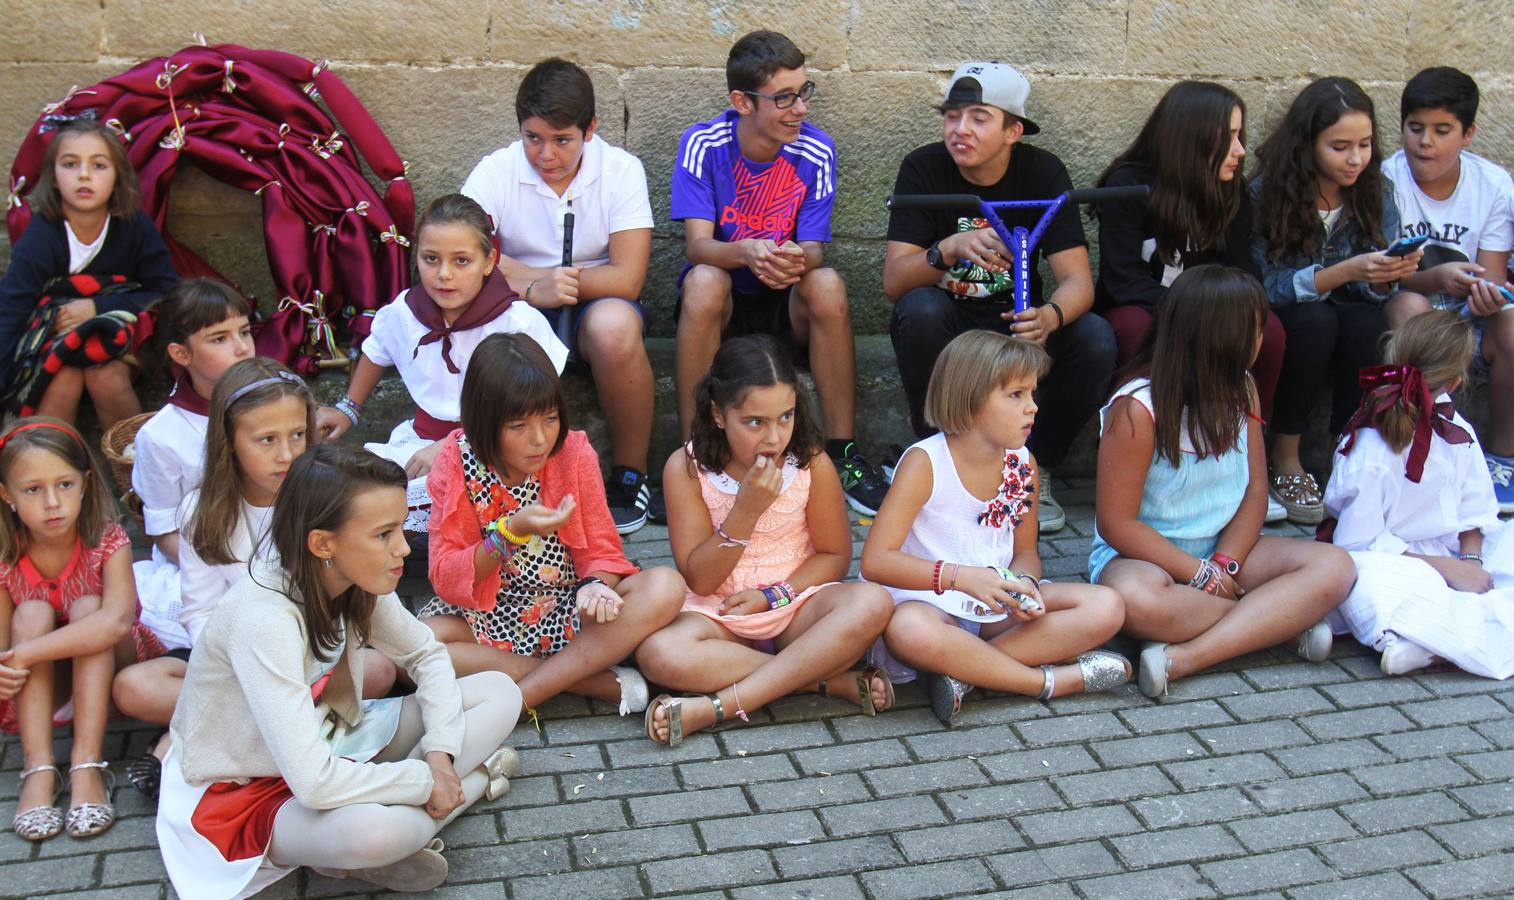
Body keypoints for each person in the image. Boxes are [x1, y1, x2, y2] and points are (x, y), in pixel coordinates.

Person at [155, 444, 523, 897]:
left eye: (400, 527)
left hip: (328, 738)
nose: (403, 547)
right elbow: (313, 784)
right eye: (384, 534)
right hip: (243, 788)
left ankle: (404, 822)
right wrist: (425, 780)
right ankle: (472, 782)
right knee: (375, 836)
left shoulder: (352, 577)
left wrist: (440, 756)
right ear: (323, 543)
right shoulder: (264, 619)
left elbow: (425, 655)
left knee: (500, 692)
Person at [114, 359, 399, 798]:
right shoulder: (201, 510)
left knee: (377, 670)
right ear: (229, 442)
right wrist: (246, 669)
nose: (286, 454)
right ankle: (285, 735)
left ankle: (191, 741)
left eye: (298, 435)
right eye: (266, 440)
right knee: (133, 687)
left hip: (315, 651)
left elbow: (350, 596)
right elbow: (201, 609)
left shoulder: (328, 498)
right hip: (233, 657)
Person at [1089, 265, 1356, 698]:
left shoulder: (1243, 388)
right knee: (1137, 603)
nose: (1261, 340)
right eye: (1254, 329)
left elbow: (1255, 488)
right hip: (1145, 557)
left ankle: (1185, 657)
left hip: (1224, 550)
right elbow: (1116, 525)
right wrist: (1198, 573)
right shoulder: (1137, 408)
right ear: (1220, 337)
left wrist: (1226, 564)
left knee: (1335, 567)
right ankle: (1277, 626)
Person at [882, 61, 1115, 533]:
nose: (959, 130)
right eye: (951, 116)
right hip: (953, 326)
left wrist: (1050, 316)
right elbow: (894, 283)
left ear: (1014, 131)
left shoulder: (1044, 173)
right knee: (918, 310)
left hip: (1018, 326)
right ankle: (940, 463)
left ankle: (1033, 465)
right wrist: (946, 250)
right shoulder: (924, 168)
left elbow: (1079, 284)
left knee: (1095, 337)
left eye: (978, 118)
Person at [670, 30, 889, 517]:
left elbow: (814, 250)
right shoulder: (704, 144)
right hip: (725, 298)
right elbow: (697, 246)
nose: (800, 109)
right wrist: (748, 251)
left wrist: (791, 258)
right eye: (784, 98)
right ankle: (693, 455)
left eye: (803, 92)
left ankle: (843, 452)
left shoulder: (816, 151)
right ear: (742, 101)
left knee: (827, 283)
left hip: (783, 299)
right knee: (704, 281)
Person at [861, 330, 1130, 725]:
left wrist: (1024, 588)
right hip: (931, 606)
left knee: (1106, 606)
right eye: (1016, 395)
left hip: (993, 609)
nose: (1033, 408)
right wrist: (960, 578)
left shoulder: (1024, 463)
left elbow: (1025, 553)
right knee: (910, 631)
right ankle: (1045, 682)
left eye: (1033, 394)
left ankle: (965, 671)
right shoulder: (925, 463)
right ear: (970, 399)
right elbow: (875, 562)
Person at [636, 335, 895, 746]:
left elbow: (834, 557)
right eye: (755, 422)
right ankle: (819, 681)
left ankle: (713, 707)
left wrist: (774, 595)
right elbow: (700, 580)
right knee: (658, 654)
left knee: (873, 602)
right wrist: (746, 510)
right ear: (718, 414)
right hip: (720, 614)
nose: (774, 438)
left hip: (796, 605)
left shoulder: (811, 462)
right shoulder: (685, 468)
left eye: (786, 417)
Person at [421, 333, 684, 718]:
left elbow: (603, 551)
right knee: (420, 644)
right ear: (484, 421)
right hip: (489, 612)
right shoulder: (455, 460)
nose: (540, 439)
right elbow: (445, 576)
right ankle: (598, 684)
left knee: (666, 585)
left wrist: (595, 587)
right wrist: (510, 534)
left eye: (549, 418)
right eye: (518, 426)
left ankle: (513, 702)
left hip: (565, 609)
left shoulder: (573, 451)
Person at [462, 59, 661, 533]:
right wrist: (532, 283)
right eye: (533, 138)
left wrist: (556, 281)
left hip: (595, 300)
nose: (546, 154)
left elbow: (628, 277)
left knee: (614, 328)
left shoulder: (621, 170)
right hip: (516, 299)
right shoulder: (497, 170)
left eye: (562, 139)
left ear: (590, 129)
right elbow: (464, 250)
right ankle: (489, 476)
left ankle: (631, 473)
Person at [1092, 81, 1288, 526]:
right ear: (1193, 138)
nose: (1240, 150)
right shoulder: (1129, 185)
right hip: (1148, 310)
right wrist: (1190, 315)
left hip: (1208, 311)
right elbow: (1121, 281)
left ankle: (1246, 461)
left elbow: (1244, 273)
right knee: (1129, 326)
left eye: (1242, 135)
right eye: (1229, 137)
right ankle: (1142, 462)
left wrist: (1220, 316)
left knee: (1269, 331)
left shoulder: (1230, 191)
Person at [323, 194, 566, 535]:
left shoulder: (517, 323)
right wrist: (348, 409)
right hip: (422, 443)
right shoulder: (405, 313)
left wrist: (455, 445)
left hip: (499, 449)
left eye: (462, 261)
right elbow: (376, 351)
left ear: (488, 262)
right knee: (362, 496)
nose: (444, 275)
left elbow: (536, 404)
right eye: (431, 259)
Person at [1252, 77, 1424, 524]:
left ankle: (1345, 451)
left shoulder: (1375, 190)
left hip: (1350, 310)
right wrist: (1344, 271)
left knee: (1367, 323)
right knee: (1316, 322)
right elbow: (1265, 283)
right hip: (1293, 315)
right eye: (1340, 146)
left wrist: (1388, 275)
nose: (1356, 159)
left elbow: (1372, 289)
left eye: (1365, 145)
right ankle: (1286, 457)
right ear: (1307, 145)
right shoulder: (1267, 193)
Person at [0, 418, 166, 841]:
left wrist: (24, 654)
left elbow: (114, 623)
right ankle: (38, 770)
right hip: (46, 685)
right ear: (7, 495)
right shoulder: (6, 556)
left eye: (65, 485)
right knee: (31, 614)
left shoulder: (109, 540)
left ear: (86, 483)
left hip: (115, 666)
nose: (52, 502)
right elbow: (5, 645)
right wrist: (12, 661)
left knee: (91, 609)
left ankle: (86, 766)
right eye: (33, 489)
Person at [1324, 310, 1514, 677]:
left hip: (1453, 554)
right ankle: (1435, 645)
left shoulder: (1459, 431)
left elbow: (1476, 510)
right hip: (1392, 560)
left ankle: (1436, 642)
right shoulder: (1372, 447)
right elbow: (1357, 543)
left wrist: (1469, 563)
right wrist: (1446, 570)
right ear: (1457, 381)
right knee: (1370, 585)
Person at [1377, 67, 1514, 511]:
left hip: (1469, 317)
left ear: (1468, 134)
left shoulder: (1491, 184)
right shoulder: (1387, 179)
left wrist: (1487, 292)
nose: (1425, 142)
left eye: (1442, 131)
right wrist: (1435, 278)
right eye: (1415, 129)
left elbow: (1492, 273)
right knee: (1409, 304)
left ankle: (1501, 457)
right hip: (1411, 305)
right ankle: (1430, 447)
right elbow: (1385, 273)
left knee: (1511, 323)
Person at [0, 117, 177, 426]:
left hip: (118, 336)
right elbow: (13, 304)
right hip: (53, 341)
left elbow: (166, 290)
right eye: (70, 164)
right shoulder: (43, 234)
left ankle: (132, 466)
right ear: (53, 177)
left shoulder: (133, 227)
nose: (84, 175)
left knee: (105, 375)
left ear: (117, 177)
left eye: (98, 166)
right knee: (60, 379)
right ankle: (61, 468)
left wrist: (97, 307)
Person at [129, 279, 255, 655]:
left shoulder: (280, 397)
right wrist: (236, 574)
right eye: (219, 339)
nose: (241, 348)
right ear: (181, 354)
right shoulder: (161, 435)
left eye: (245, 332)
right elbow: (165, 532)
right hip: (207, 562)